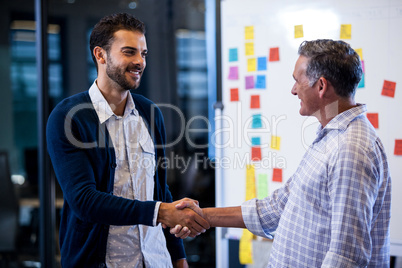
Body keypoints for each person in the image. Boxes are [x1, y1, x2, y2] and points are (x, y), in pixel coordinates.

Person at [172, 39, 392, 267]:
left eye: (297, 81)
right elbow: (278, 207)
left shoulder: (350, 149)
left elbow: (346, 257)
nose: (293, 89)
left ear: (321, 86)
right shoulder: (331, 136)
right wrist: (202, 216)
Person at [46, 13, 209, 268]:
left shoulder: (150, 112)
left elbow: (160, 191)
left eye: (143, 54)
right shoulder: (69, 117)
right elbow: (83, 200)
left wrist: (179, 258)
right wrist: (160, 212)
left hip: (157, 260)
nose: (139, 62)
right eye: (129, 52)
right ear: (100, 55)